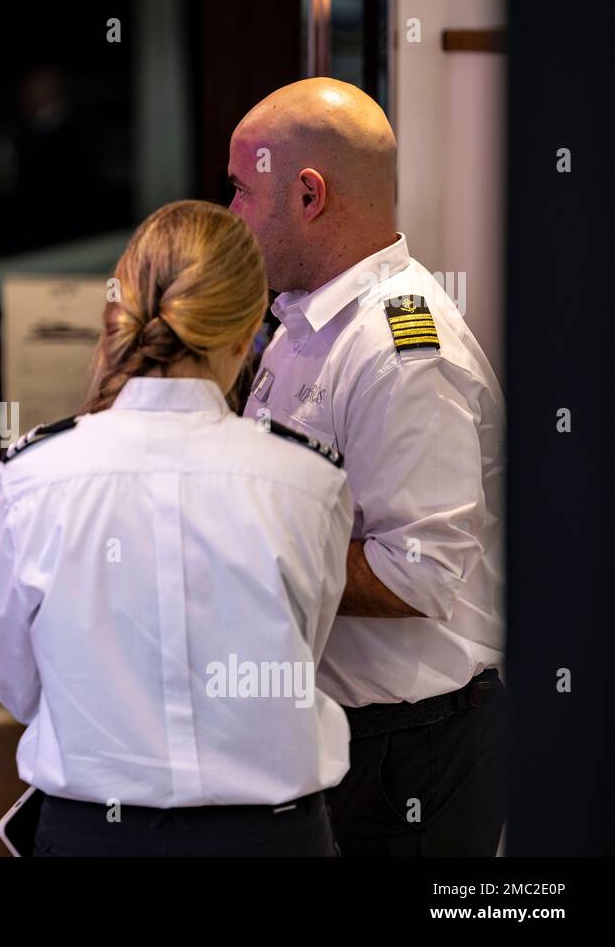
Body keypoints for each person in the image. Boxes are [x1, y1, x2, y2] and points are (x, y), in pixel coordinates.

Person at [0, 200, 353, 856]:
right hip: (272, 838)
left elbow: (18, 686)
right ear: (247, 333)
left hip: (93, 835)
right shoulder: (308, 480)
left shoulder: (30, 477)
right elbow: (305, 650)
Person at [229, 78, 507, 855]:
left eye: (242, 190)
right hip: (328, 735)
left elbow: (420, 572)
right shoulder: (302, 321)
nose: (231, 215)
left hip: (405, 755)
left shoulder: (404, 351)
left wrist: (250, 553)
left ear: (309, 195)